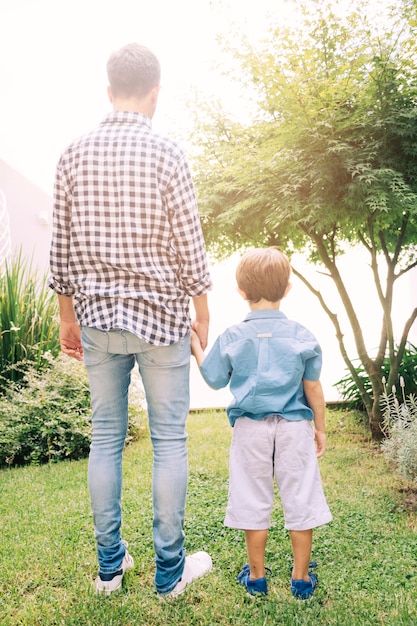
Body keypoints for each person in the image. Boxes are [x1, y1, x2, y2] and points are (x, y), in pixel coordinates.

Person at [49, 43, 213, 598]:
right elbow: (189, 243)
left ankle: (109, 571)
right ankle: (170, 574)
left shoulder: (73, 154)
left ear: (108, 89)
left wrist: (65, 316)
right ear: (156, 92)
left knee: (105, 439)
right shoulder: (168, 152)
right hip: (162, 319)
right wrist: (203, 308)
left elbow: (61, 248)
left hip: (96, 319)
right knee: (169, 440)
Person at [190, 247, 332, 600]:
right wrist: (320, 427)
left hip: (250, 428)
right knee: (300, 496)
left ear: (241, 291)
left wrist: (195, 345)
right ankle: (300, 580)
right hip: (295, 427)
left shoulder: (233, 337)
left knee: (252, 497)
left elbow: (214, 379)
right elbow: (312, 387)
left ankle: (256, 578)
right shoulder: (302, 335)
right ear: (287, 289)